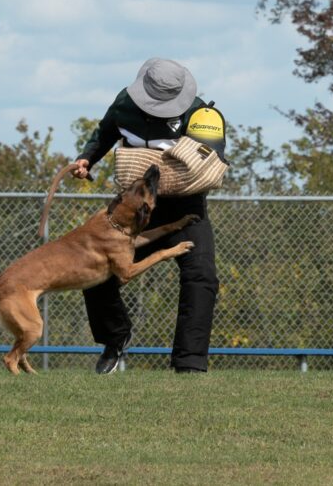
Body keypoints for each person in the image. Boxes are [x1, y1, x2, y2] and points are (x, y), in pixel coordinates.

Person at [72, 57, 226, 374]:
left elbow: (211, 160)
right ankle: (115, 340)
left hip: (185, 208)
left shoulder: (199, 113)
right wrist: (87, 159)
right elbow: (104, 133)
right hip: (135, 209)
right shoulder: (124, 103)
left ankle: (189, 365)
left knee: (202, 277)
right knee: (95, 271)